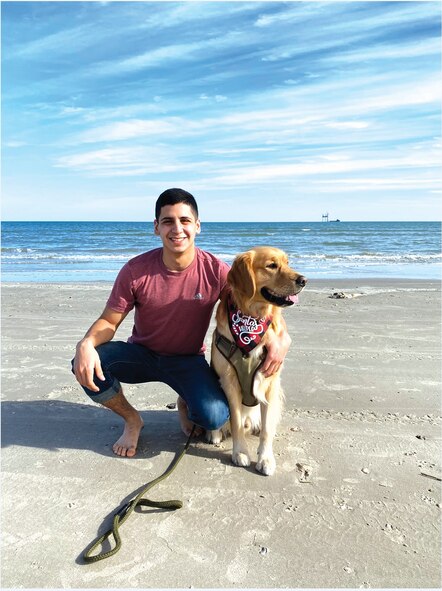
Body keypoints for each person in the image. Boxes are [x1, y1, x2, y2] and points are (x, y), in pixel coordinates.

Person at [72, 188, 291, 457]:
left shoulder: (217, 271)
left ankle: (185, 400)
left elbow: (254, 304)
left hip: (188, 361)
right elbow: (109, 320)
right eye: (168, 221)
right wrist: (87, 343)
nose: (177, 229)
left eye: (185, 221)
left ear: (197, 226)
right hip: (141, 355)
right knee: (87, 363)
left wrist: (282, 338)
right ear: (156, 228)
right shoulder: (135, 270)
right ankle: (132, 421)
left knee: (213, 417)